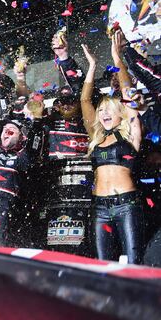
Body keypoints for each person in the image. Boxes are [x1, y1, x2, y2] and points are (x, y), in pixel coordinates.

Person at [81, 34, 144, 263]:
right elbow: (85, 102)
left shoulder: (130, 132)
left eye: (109, 110)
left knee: (133, 262)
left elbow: (128, 97)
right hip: (99, 207)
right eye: (101, 111)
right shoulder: (96, 137)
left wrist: (117, 59)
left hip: (126, 205)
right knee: (101, 264)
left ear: (121, 114)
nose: (103, 113)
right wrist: (92, 66)